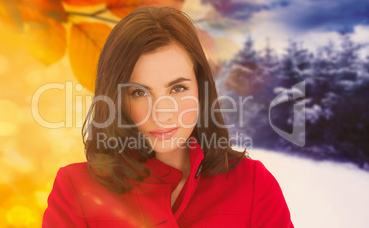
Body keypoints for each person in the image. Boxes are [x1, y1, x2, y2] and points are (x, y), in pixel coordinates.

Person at [42, 6, 294, 228]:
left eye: (177, 88)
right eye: (139, 92)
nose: (161, 113)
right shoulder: (76, 189)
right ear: (117, 99)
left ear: (201, 88)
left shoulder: (252, 185)